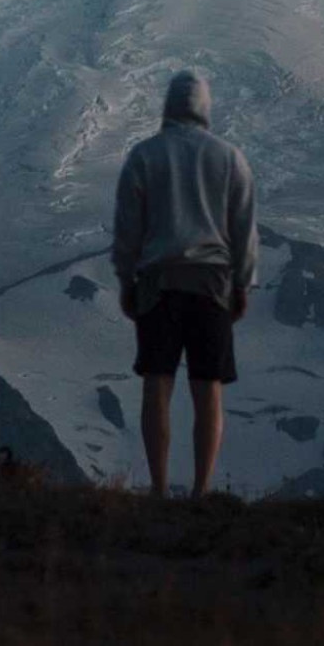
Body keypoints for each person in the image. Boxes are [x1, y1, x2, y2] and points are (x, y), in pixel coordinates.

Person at [112, 69, 258, 499]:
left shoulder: (144, 156)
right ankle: (201, 489)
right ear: (205, 106)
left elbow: (128, 228)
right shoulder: (229, 157)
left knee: (156, 384)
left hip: (157, 283)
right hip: (212, 284)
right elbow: (244, 228)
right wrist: (243, 283)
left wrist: (126, 279)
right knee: (207, 388)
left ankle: (157, 488)